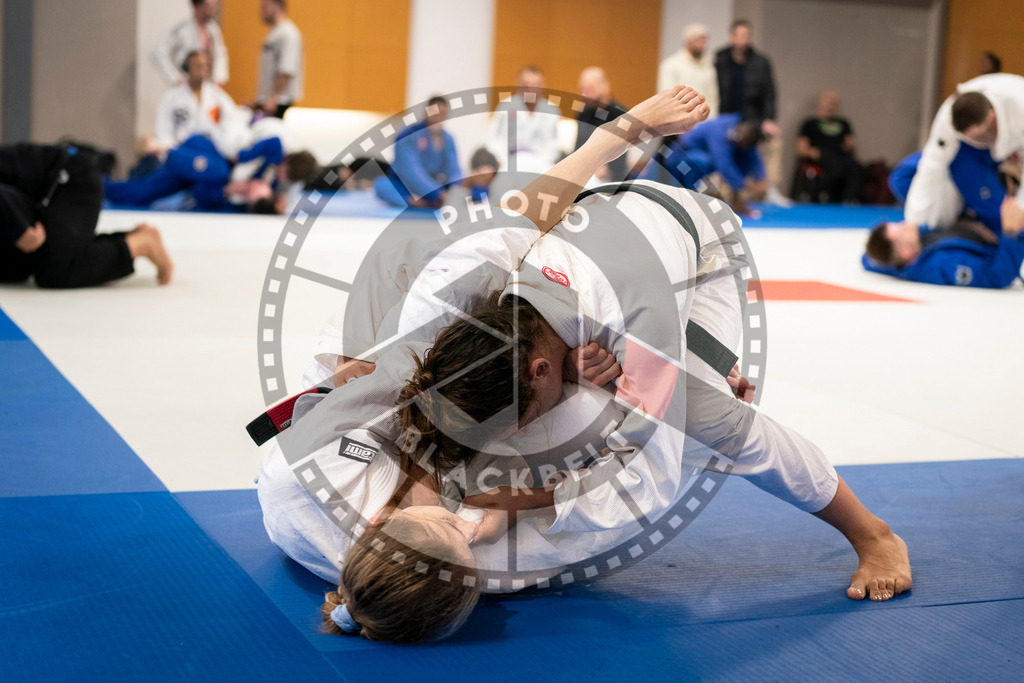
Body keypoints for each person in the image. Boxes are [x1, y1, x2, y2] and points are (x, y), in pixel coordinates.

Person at [0, 143, 173, 288]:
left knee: (55, 270)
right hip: (41, 196)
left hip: (71, 178)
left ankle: (139, 244)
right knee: (40, 260)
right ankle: (128, 238)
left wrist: (20, 229)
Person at [903, 73, 1024, 236]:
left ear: (991, 117)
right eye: (968, 136)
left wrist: (1020, 207)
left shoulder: (1019, 108)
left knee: (1013, 219)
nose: (975, 139)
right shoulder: (948, 115)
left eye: (978, 135)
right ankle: (968, 219)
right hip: (969, 154)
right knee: (901, 178)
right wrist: (914, 224)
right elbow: (931, 166)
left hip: (1009, 142)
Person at [714, 20, 789, 206]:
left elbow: (770, 94)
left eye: (746, 36)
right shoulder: (719, 60)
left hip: (754, 120)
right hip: (726, 120)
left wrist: (769, 119)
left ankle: (769, 188)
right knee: (721, 147)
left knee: (775, 141)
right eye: (739, 36)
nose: (743, 40)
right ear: (731, 37)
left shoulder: (761, 62)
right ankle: (725, 191)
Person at [647, 113, 767, 216]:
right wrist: (743, 185)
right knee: (703, 160)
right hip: (677, 160)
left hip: (693, 162)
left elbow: (752, 156)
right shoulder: (719, 128)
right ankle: (689, 198)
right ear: (741, 129)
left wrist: (761, 178)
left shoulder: (741, 133)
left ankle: (736, 202)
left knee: (740, 156)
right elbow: (723, 163)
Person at [863, 217, 1023, 288]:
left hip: (978, 225)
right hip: (1002, 239)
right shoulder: (943, 265)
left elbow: (866, 259)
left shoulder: (894, 260)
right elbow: (996, 277)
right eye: (902, 229)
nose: (905, 223)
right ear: (905, 252)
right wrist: (1012, 233)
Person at [374, 96, 462, 209]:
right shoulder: (408, 136)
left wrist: (454, 192)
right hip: (408, 187)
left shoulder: (448, 139)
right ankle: (415, 201)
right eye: (435, 113)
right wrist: (438, 193)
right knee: (382, 185)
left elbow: (454, 170)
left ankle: (429, 201)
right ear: (426, 112)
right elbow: (411, 171)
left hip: (437, 187)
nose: (438, 117)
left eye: (442, 114)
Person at [151, 51, 239, 154]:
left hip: (210, 151)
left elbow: (233, 121)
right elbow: (163, 130)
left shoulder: (218, 97)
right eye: (198, 66)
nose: (203, 69)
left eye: (205, 66)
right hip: (181, 151)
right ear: (187, 69)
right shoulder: (172, 98)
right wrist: (171, 151)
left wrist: (225, 147)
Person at [486, 66, 562, 173]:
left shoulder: (552, 111)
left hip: (541, 166)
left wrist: (540, 166)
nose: (531, 89)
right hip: (509, 163)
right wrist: (503, 162)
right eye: (527, 85)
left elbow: (553, 145)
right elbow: (495, 140)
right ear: (519, 85)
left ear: (542, 86)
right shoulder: (505, 107)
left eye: (535, 85)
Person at [795, 90, 864, 204]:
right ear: (820, 103)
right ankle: (814, 195)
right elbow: (801, 149)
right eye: (828, 101)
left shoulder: (844, 123)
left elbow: (851, 145)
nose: (830, 105)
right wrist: (811, 152)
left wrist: (850, 145)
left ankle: (849, 200)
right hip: (822, 155)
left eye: (834, 102)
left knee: (856, 166)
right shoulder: (810, 123)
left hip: (841, 155)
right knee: (834, 164)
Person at [152, 0, 229, 87]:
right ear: (197, 6)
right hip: (186, 86)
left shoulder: (213, 30)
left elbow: (220, 55)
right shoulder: (182, 30)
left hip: (208, 86)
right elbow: (158, 53)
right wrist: (175, 78)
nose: (213, 9)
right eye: (209, 5)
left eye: (214, 5)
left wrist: (219, 78)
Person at [574, 67, 629, 182]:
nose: (585, 95)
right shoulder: (583, 114)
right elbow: (578, 148)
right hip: (582, 174)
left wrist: (603, 170)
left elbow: (620, 159)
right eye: (583, 90)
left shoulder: (620, 116)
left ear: (605, 86)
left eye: (590, 90)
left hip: (610, 178)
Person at [658, 23, 720, 118]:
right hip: (679, 123)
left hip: (704, 122)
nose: (702, 46)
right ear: (688, 41)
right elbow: (666, 97)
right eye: (698, 41)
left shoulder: (708, 68)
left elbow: (713, 98)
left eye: (704, 41)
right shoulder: (671, 65)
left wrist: (711, 120)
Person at [254, 0, 304, 119]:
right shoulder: (275, 32)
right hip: (269, 101)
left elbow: (286, 70)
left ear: (275, 5)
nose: (261, 12)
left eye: (264, 7)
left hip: (278, 103)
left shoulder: (288, 33)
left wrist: (273, 98)